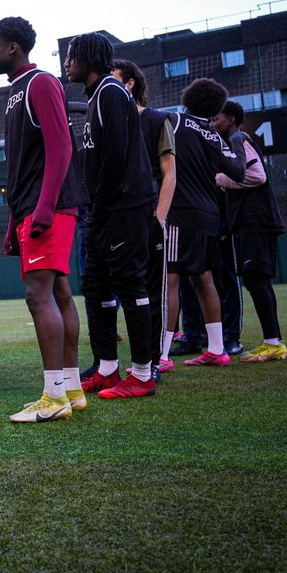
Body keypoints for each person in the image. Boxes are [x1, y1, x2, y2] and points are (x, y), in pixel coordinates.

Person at [0, 17, 87, 423]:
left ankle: (53, 397)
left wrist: (44, 208)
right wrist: (15, 221)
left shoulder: (40, 83)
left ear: (13, 48)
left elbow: (61, 147)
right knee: (59, 292)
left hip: (52, 206)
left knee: (38, 295)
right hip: (31, 207)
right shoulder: (14, 92)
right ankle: (73, 388)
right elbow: (22, 167)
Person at [65, 34, 157, 400]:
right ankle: (106, 368)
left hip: (122, 207)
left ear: (88, 57)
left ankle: (143, 374)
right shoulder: (96, 98)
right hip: (103, 210)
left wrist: (99, 207)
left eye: (72, 57)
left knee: (130, 285)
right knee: (97, 287)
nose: (67, 64)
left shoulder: (112, 92)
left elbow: (116, 158)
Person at [164, 78, 245, 367]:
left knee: (169, 281)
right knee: (204, 279)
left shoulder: (174, 121)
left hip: (180, 212)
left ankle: (160, 356)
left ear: (188, 98)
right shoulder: (214, 137)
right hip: (209, 215)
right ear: (215, 107)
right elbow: (238, 171)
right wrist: (237, 141)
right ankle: (217, 349)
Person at [114, 58, 177, 376]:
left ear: (130, 84)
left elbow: (169, 174)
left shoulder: (157, 120)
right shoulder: (109, 124)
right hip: (117, 218)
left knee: (152, 291)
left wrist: (159, 219)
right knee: (121, 292)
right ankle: (111, 364)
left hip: (149, 216)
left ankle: (151, 362)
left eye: (113, 79)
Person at [212, 101, 287, 362]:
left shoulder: (238, 139)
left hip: (255, 221)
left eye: (217, 117)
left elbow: (257, 175)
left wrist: (220, 179)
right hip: (251, 222)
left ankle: (273, 342)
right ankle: (273, 341)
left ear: (231, 119)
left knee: (256, 280)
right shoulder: (233, 141)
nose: (213, 122)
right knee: (258, 281)